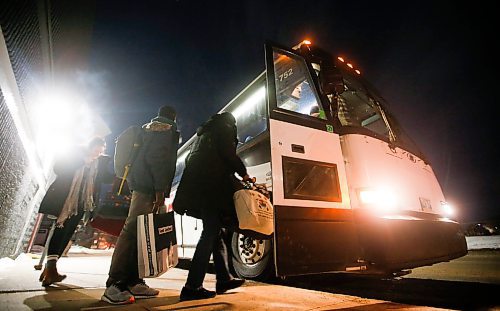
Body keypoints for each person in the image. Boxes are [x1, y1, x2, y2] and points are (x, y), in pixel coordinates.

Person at [102, 105, 179, 305]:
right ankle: (115, 284)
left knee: (140, 235)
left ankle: (134, 282)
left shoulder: (150, 128)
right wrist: (160, 191)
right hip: (148, 189)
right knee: (132, 232)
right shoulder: (165, 130)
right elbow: (157, 160)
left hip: (142, 185)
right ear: (173, 116)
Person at [173, 112, 251, 301]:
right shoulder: (223, 128)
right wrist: (244, 173)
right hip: (212, 188)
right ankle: (192, 286)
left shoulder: (204, 134)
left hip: (200, 189)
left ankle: (224, 279)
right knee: (210, 233)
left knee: (215, 233)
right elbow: (228, 154)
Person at [38, 136, 110, 286]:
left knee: (67, 234)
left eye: (100, 151)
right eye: (96, 150)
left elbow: (104, 179)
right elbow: (58, 168)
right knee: (60, 231)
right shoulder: (75, 155)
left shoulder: (97, 164)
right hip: (65, 202)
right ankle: (50, 269)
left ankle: (50, 269)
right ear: (90, 147)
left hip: (81, 204)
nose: (97, 154)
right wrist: (83, 161)